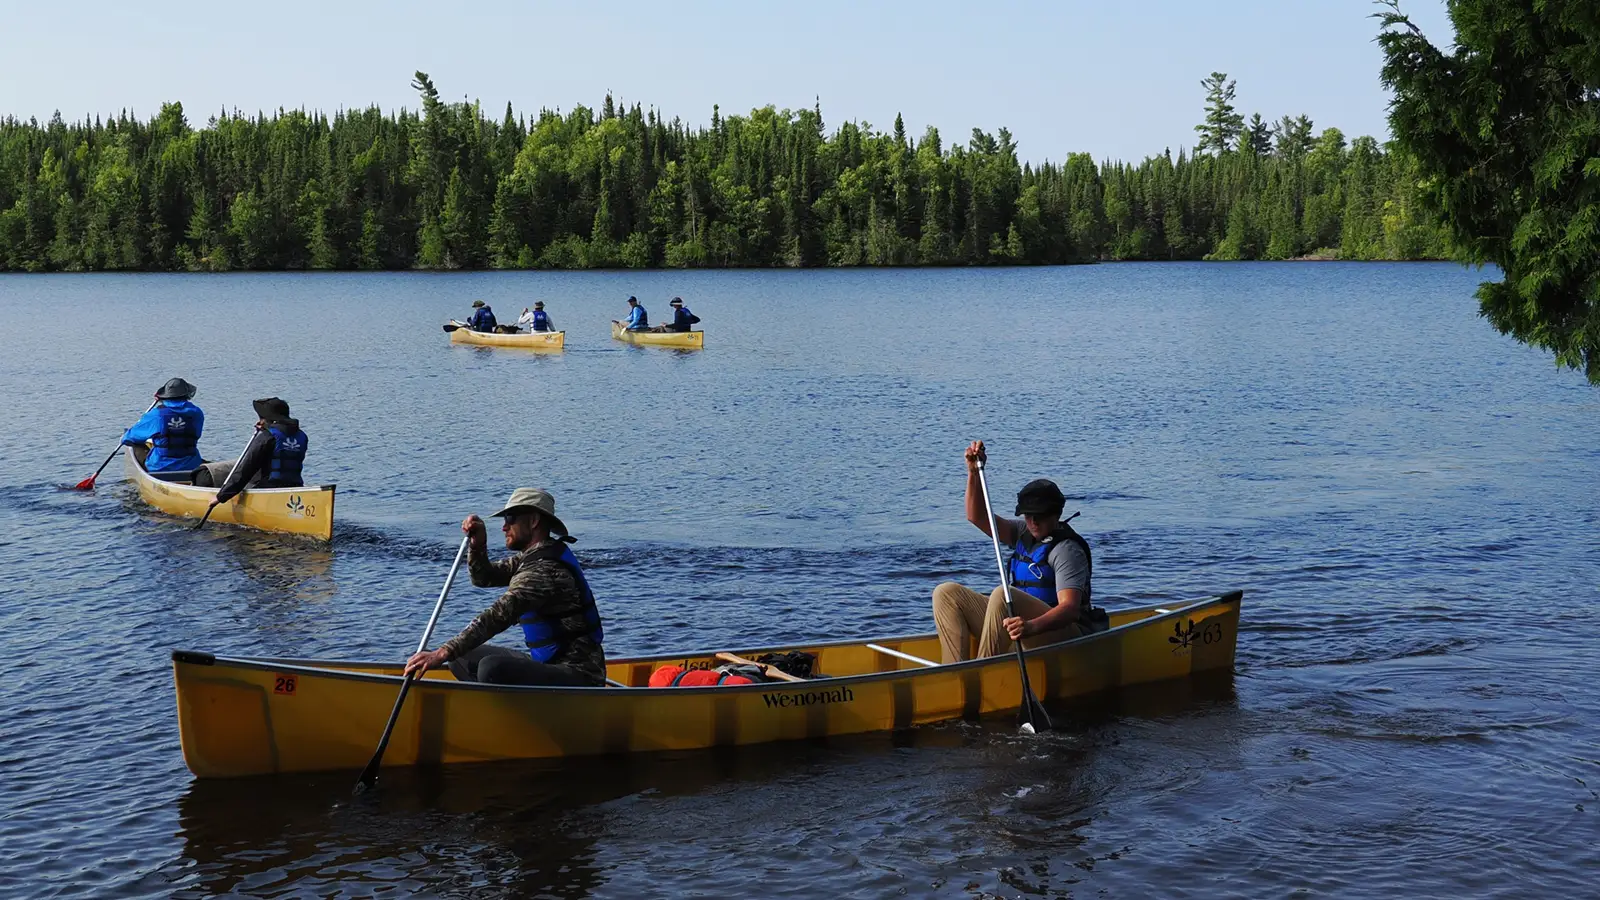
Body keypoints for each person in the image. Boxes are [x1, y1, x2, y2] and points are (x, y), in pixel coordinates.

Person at [404, 488, 607, 687]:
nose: (504, 527)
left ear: (534, 521)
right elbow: (484, 578)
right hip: (546, 664)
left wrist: (442, 652)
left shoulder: (545, 570)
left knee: (490, 668)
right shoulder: (532, 557)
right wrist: (478, 546)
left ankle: (503, 713)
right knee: (460, 657)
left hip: (577, 674)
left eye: (510, 518)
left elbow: (499, 614)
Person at [930, 441, 1104, 664]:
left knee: (1003, 595)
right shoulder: (1023, 532)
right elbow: (978, 517)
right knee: (946, 593)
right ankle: (953, 673)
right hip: (1027, 627)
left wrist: (1030, 627)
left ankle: (983, 672)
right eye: (1027, 515)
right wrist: (973, 472)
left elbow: (1069, 610)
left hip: (1064, 635)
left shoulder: (1067, 550)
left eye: (1039, 516)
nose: (1032, 522)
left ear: (1056, 514)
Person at [199, 398, 308, 505]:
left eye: (261, 418)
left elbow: (246, 469)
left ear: (267, 419)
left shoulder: (267, 436)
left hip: (269, 490)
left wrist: (220, 497)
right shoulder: (302, 436)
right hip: (296, 488)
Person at [121, 378, 204, 475]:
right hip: (191, 466)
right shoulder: (197, 413)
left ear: (166, 396)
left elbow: (128, 438)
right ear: (187, 395)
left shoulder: (157, 414)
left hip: (160, 468)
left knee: (134, 444)